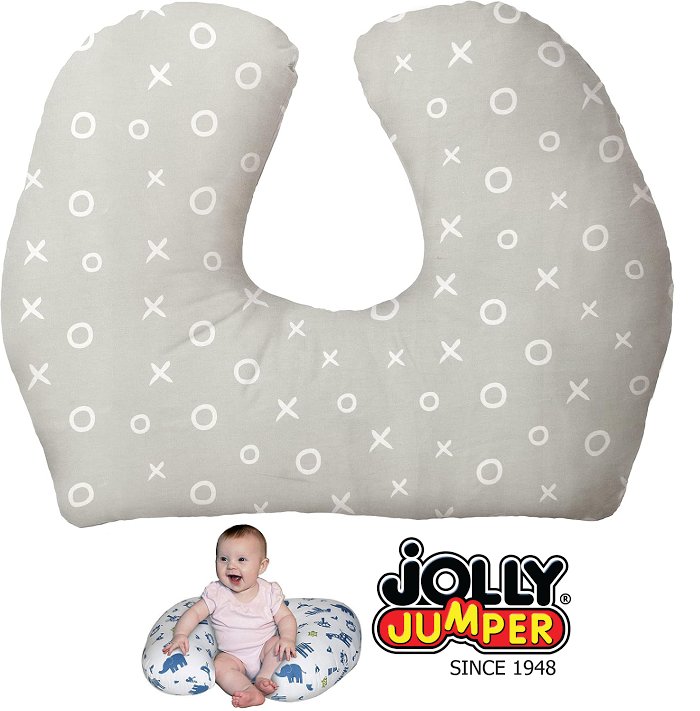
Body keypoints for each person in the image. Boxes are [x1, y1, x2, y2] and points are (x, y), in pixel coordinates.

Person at [162, 524, 297, 707]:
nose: (231, 566)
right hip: (233, 657)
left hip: (263, 650)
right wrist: (180, 634)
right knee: (219, 665)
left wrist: (288, 638)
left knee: (277, 645)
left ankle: (263, 678)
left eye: (241, 559)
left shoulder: (268, 593)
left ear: (262, 566)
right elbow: (194, 613)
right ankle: (248, 691)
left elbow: (285, 618)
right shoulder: (217, 593)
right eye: (224, 559)